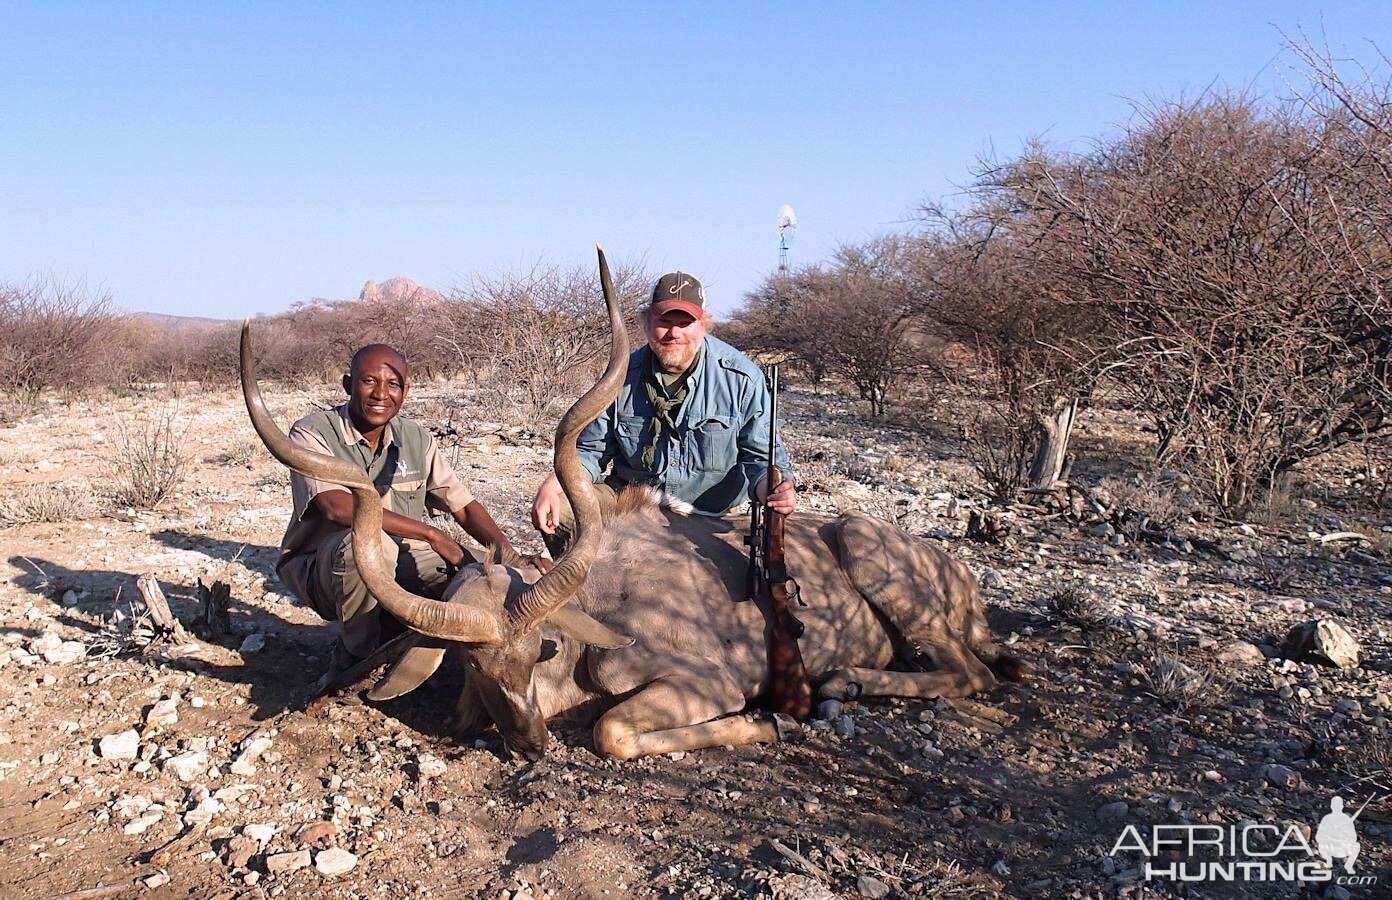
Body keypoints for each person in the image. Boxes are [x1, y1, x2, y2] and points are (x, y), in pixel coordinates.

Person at [277, 342, 533, 677]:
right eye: (369, 382)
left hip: (402, 556)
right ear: (347, 385)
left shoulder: (416, 438)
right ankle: (357, 660)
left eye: (393, 384)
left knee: (490, 578)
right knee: (365, 546)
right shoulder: (312, 432)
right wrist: (431, 533)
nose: (380, 394)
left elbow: (464, 506)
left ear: (406, 391)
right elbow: (336, 507)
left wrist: (509, 557)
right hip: (325, 570)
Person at [531, 271, 796, 538]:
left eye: (685, 322)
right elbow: (590, 451)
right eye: (665, 321)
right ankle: (582, 579)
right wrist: (555, 485)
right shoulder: (620, 375)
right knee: (559, 510)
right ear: (647, 322)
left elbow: (762, 460)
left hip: (710, 515)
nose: (674, 333)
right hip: (633, 507)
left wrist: (774, 490)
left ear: (703, 324)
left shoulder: (742, 378)